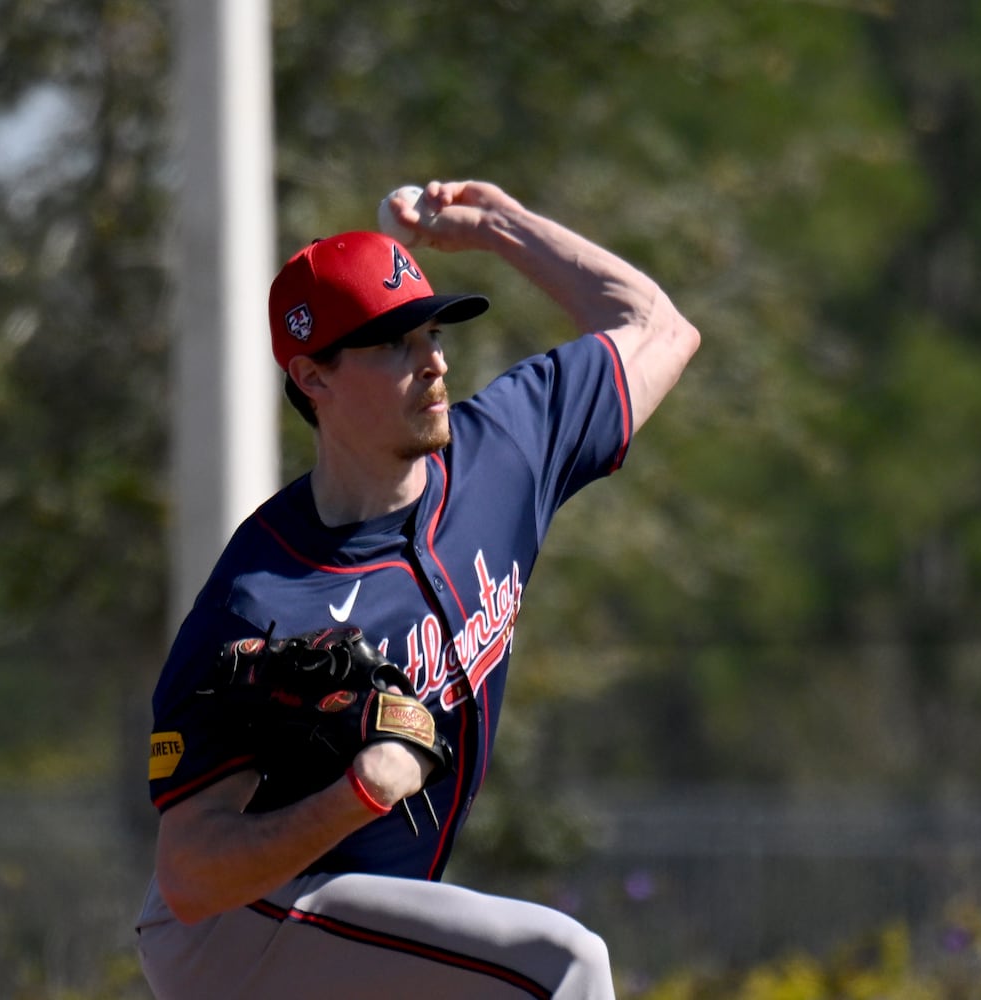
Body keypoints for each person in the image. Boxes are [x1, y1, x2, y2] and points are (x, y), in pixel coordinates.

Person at [136, 179, 700, 999]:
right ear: (313, 377)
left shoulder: (503, 454)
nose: (432, 359)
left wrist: (501, 227)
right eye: (392, 343)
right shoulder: (259, 596)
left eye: (432, 331)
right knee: (562, 968)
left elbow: (659, 329)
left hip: (355, 927)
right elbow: (189, 877)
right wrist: (356, 793)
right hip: (239, 931)